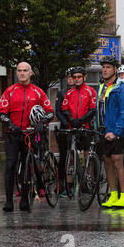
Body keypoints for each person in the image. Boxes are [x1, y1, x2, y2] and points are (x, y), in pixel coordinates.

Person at [0, 62, 54, 212]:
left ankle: (24, 199)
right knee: (10, 166)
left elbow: (50, 111)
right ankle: (9, 201)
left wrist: (42, 123)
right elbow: (1, 113)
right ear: (16, 73)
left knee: (27, 167)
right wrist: (10, 124)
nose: (22, 73)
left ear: (30, 73)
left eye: (25, 70)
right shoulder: (9, 91)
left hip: (30, 135)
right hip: (13, 135)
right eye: (19, 71)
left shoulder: (38, 92)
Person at [96, 56, 124, 208]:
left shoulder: (122, 88)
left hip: (117, 132)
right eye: (103, 67)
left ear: (115, 70)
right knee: (107, 162)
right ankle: (112, 195)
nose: (105, 70)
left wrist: (116, 131)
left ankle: (123, 196)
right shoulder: (101, 87)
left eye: (108, 67)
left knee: (118, 162)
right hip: (103, 131)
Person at [60, 67, 97, 194]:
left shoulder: (91, 91)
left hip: (85, 127)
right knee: (70, 156)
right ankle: (69, 185)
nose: (76, 79)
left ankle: (88, 180)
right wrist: (71, 119)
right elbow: (64, 108)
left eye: (79, 77)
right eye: (74, 77)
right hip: (72, 127)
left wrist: (81, 120)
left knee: (87, 155)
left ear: (84, 77)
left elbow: (93, 109)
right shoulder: (69, 93)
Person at [55, 67, 75, 197]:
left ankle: (81, 184)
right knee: (63, 158)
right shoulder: (61, 93)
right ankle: (62, 186)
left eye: (72, 77)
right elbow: (58, 111)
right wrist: (65, 123)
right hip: (65, 129)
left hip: (78, 127)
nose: (70, 80)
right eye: (68, 77)